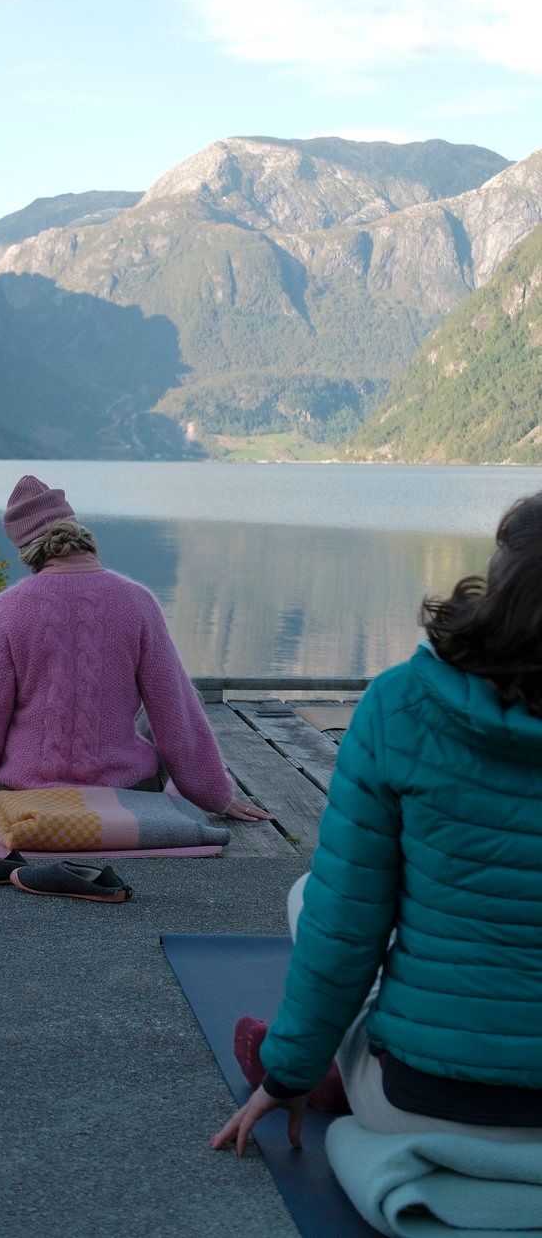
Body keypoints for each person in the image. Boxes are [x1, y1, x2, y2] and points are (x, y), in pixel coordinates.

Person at [212, 491, 542, 1158]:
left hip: (430, 1108)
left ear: (501, 584)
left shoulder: (401, 706)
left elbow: (345, 932)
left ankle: (324, 1073)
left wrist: (287, 1074)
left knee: (318, 896)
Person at [0, 475, 270, 823]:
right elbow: (176, 713)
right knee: (177, 698)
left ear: (24, 547)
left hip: (24, 793)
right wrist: (216, 796)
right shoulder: (136, 601)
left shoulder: (8, 608)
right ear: (77, 532)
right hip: (130, 791)